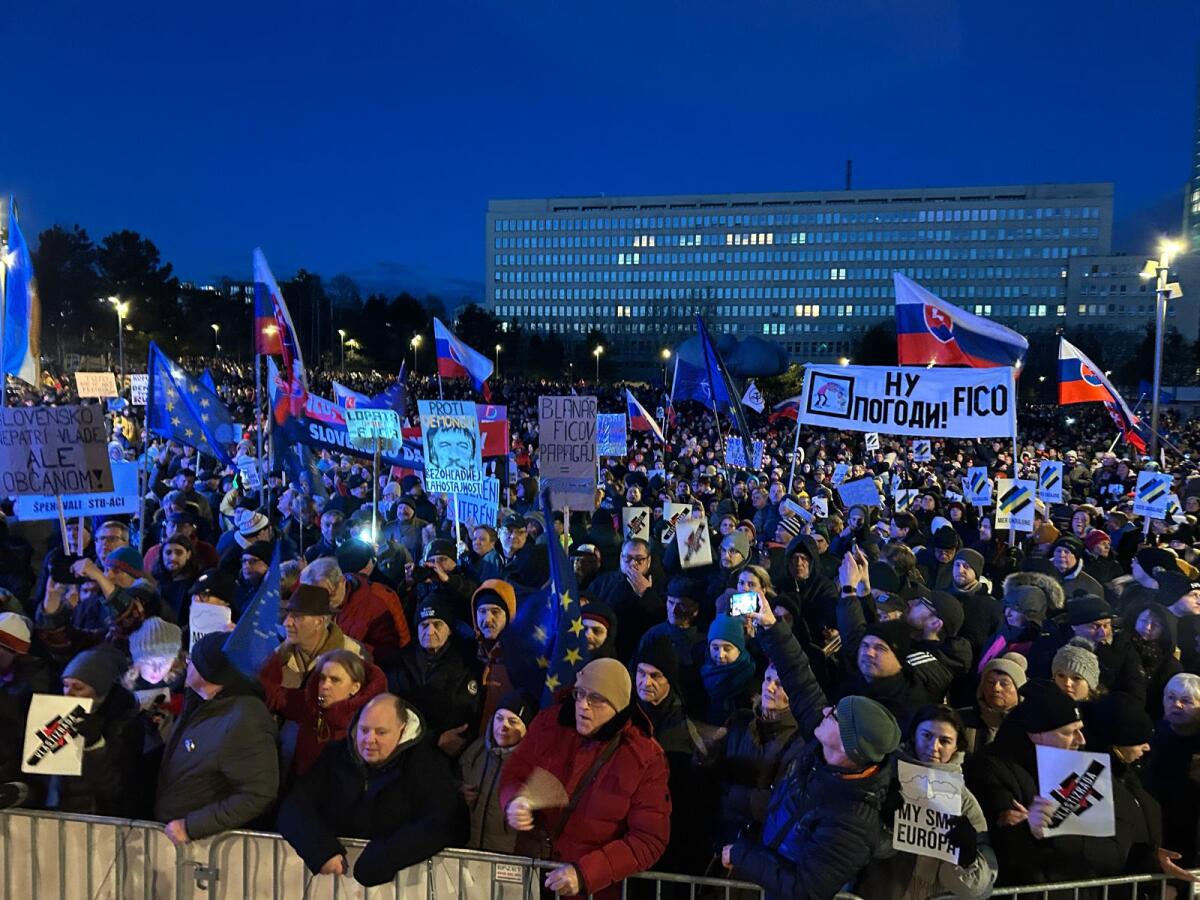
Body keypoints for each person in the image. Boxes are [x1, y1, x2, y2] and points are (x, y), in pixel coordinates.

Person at [722, 599, 901, 900]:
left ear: (848, 746)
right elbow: (801, 681)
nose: (827, 710)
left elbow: (804, 890)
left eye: (835, 715)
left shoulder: (852, 824)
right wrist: (771, 626)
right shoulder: (824, 749)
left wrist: (742, 855)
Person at [500, 658, 671, 899]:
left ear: (618, 705)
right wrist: (514, 800)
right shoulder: (549, 723)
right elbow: (515, 772)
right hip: (532, 875)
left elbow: (649, 839)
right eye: (579, 694)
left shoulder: (644, 757)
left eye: (596, 699)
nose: (583, 706)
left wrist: (586, 873)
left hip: (590, 890)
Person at [276, 694, 465, 886]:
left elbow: (442, 821)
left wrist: (386, 857)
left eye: (381, 732)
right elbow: (294, 806)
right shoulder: (335, 755)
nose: (369, 739)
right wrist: (319, 848)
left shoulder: (426, 764)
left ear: (402, 730)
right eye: (364, 730)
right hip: (334, 884)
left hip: (401, 886)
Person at [854, 705, 996, 899]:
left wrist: (967, 857)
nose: (934, 747)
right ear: (914, 735)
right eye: (927, 736)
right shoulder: (884, 781)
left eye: (944, 741)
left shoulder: (965, 802)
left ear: (957, 746)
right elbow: (855, 849)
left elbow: (979, 889)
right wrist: (884, 826)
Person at [155, 632, 279, 844]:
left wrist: (192, 826)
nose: (187, 664)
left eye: (192, 660)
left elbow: (258, 794)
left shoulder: (245, 719)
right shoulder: (200, 701)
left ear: (207, 673)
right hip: (172, 835)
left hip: (203, 847)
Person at [387, 591, 481, 758]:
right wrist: (434, 738)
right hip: (403, 750)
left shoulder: (465, 666)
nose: (429, 632)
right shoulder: (400, 663)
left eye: (437, 624)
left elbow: (463, 717)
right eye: (424, 625)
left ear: (450, 629)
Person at [272, 648, 388, 778]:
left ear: (355, 688)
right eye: (322, 678)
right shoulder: (312, 705)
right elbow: (276, 696)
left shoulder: (365, 730)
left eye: (335, 680)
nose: (325, 686)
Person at [260, 584, 365, 703]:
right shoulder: (277, 658)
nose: (286, 623)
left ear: (319, 622)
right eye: (288, 615)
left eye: (297, 617)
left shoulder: (353, 655)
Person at [459, 690, 536, 853]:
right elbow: (455, 778)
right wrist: (459, 791)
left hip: (506, 856)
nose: (503, 727)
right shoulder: (476, 751)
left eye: (513, 722)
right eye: (499, 719)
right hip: (468, 847)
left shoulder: (533, 764)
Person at [958, 653, 1027, 756]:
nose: (996, 688)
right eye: (990, 682)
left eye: (1004, 684)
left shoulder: (1030, 725)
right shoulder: (960, 719)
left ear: (1019, 690)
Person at [699, 614, 757, 726]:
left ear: (739, 649)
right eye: (715, 648)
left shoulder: (751, 681)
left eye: (727, 648)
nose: (720, 655)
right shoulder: (700, 673)